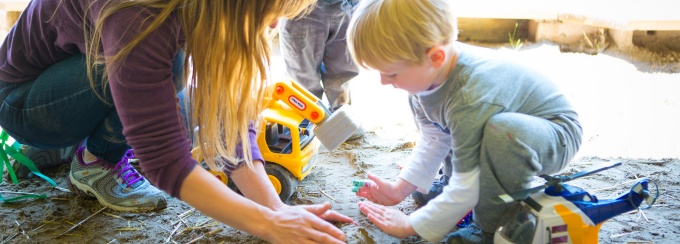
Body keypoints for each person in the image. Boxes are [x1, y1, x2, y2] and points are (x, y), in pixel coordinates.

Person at [0, 0, 354, 243]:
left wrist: (274, 208)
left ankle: (72, 140)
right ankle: (95, 162)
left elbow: (225, 110)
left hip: (66, 82)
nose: (276, 24)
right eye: (272, 11)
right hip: (22, 103)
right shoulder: (140, 13)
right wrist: (268, 226)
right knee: (168, 70)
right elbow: (164, 159)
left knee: (184, 102)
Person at [346, 0, 583, 243]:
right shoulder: (424, 76)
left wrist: (410, 224)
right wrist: (400, 189)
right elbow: (435, 137)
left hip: (554, 133)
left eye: (391, 73)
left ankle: (490, 229)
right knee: (466, 131)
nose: (384, 82)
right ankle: (448, 184)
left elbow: (467, 187)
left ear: (435, 57)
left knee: (499, 134)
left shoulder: (470, 97)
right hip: (503, 123)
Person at [278, 0, 365, 140]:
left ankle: (340, 111)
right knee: (303, 75)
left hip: (346, 6)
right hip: (302, 9)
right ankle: (304, 119)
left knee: (343, 67)